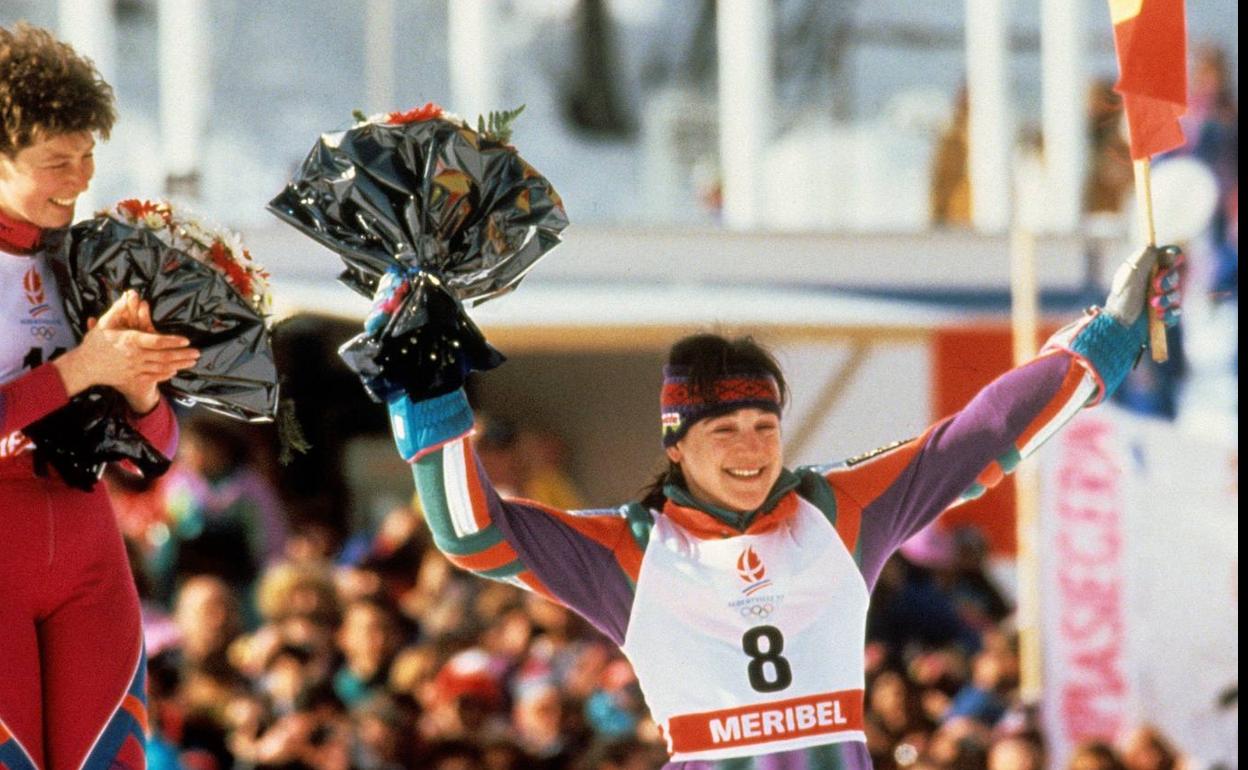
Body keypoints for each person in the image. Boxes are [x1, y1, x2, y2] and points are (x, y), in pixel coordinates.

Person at [358, 234, 1180, 767]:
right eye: (725, 431)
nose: (752, 449)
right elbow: (474, 536)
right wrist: (430, 396)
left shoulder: (838, 510)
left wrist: (1107, 338)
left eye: (765, 425)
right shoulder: (632, 550)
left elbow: (976, 439)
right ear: (676, 445)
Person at [0, 23, 199, 770]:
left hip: (87, 548)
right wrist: (83, 368)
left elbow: (156, 456)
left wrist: (141, 392)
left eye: (87, 155)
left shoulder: (90, 261)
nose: (80, 179)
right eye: (56, 161)